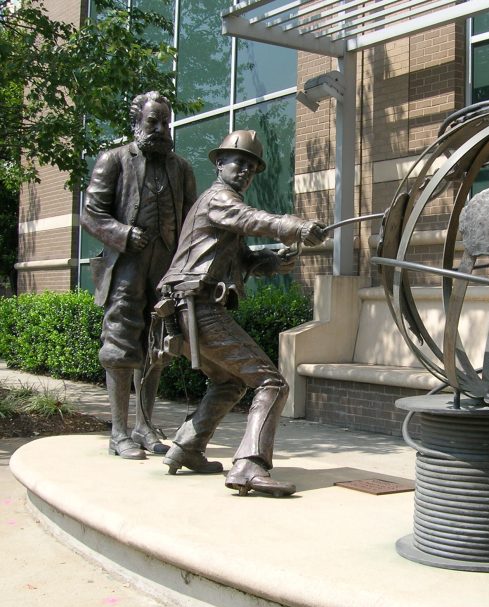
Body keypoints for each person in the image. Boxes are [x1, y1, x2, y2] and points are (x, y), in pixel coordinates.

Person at [157, 129, 326, 497]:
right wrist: (294, 226)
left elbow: (243, 259)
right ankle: (249, 465)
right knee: (272, 383)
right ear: (220, 163)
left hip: (187, 308)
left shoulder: (220, 208)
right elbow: (249, 218)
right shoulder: (220, 199)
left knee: (229, 381)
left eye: (252, 167)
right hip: (197, 306)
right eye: (240, 162)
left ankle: (187, 447)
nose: (247, 171)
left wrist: (272, 262)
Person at [81, 91, 197, 460]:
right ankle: (118, 432)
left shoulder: (182, 168)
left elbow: (192, 222)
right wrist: (123, 234)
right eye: (153, 122)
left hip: (165, 268)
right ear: (136, 123)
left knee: (158, 344)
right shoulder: (114, 160)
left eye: (166, 123)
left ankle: (144, 425)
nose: (161, 129)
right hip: (126, 266)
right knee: (120, 342)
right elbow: (91, 214)